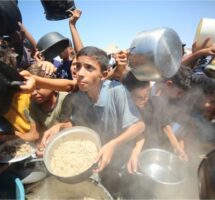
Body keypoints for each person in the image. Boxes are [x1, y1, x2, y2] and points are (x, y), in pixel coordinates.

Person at [40, 46, 145, 196]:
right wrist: (61, 127)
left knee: (118, 191)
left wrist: (113, 144)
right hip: (95, 160)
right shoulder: (79, 97)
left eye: (89, 68)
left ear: (104, 74)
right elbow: (77, 124)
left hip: (120, 160)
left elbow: (139, 125)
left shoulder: (116, 90)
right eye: (78, 66)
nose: (80, 73)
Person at [122, 72, 188, 163]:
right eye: (139, 98)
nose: (145, 100)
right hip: (137, 152)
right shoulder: (127, 110)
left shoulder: (157, 102)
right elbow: (138, 134)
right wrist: (135, 154)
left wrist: (178, 148)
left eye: (147, 95)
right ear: (129, 94)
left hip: (156, 148)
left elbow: (166, 126)